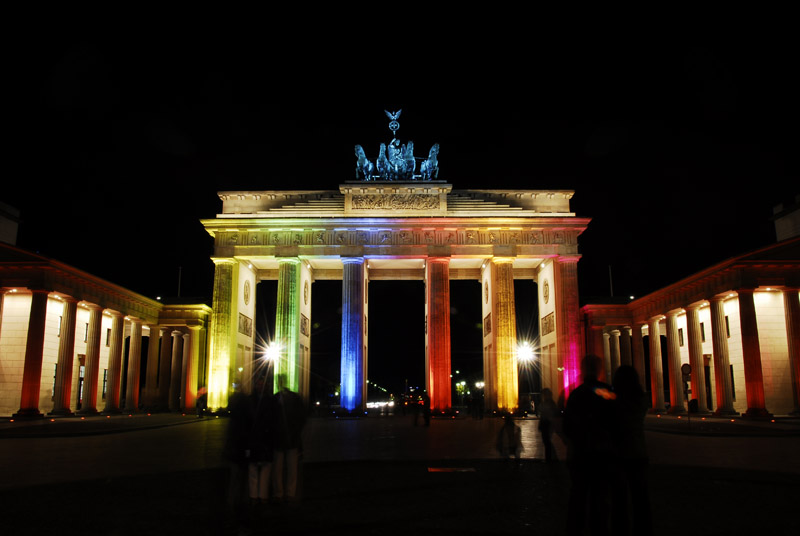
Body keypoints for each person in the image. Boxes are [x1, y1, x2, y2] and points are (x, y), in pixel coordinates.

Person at [562, 354, 616, 536]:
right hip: (603, 455)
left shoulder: (576, 395)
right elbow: (616, 422)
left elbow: (567, 427)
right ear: (599, 370)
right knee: (601, 497)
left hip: (580, 455)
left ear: (583, 370)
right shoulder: (608, 392)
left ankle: (575, 529)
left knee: (578, 496)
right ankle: (600, 529)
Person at [610, 365, 653, 536]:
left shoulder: (616, 402)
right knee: (640, 497)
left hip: (619, 454)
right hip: (639, 453)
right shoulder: (640, 400)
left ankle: (620, 529)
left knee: (619, 498)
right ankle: (644, 529)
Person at [222, 382, 253, 528]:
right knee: (244, 480)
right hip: (242, 452)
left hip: (234, 451)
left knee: (234, 479)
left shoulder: (233, 422)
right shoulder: (245, 421)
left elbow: (230, 437)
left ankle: (231, 504)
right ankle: (244, 504)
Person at [273, 374, 306, 503]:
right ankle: (284, 493)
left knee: (285, 467)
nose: (279, 383)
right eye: (278, 381)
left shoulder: (284, 398)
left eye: (280, 381)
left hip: (289, 438)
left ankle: (284, 493)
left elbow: (301, 417)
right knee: (284, 468)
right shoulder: (277, 398)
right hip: (284, 438)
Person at [247, 375, 277, 506]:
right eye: (258, 384)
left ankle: (262, 496)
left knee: (264, 468)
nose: (260, 386)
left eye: (261, 384)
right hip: (254, 439)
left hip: (265, 438)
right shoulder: (267, 401)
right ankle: (254, 496)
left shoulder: (269, 401)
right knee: (254, 468)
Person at [538, 387, 560, 462]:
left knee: (546, 441)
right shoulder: (549, 403)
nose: (543, 396)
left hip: (547, 424)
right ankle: (550, 457)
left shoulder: (549, 403)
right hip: (545, 423)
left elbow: (546, 412)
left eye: (544, 394)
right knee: (546, 441)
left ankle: (549, 458)